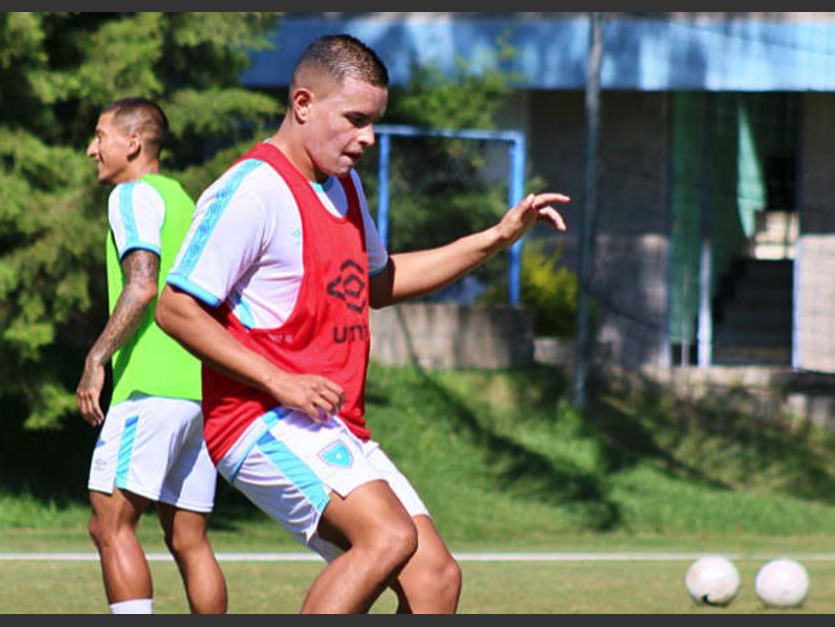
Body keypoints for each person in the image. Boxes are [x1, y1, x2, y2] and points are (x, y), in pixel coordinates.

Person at [156, 34, 568, 614]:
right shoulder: (252, 190)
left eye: (374, 121)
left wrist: (496, 239)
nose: (369, 137)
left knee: (435, 579)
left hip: (330, 421)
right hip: (258, 418)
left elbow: (381, 281)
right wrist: (279, 381)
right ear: (303, 104)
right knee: (388, 536)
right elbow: (175, 308)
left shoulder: (344, 185)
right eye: (355, 119)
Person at [77, 97, 227, 615]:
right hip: (201, 390)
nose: (92, 149)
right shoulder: (183, 200)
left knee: (109, 524)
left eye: (101, 136)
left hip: (151, 388)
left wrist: (96, 358)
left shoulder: (131, 195)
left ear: (134, 143)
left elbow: (142, 285)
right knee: (189, 538)